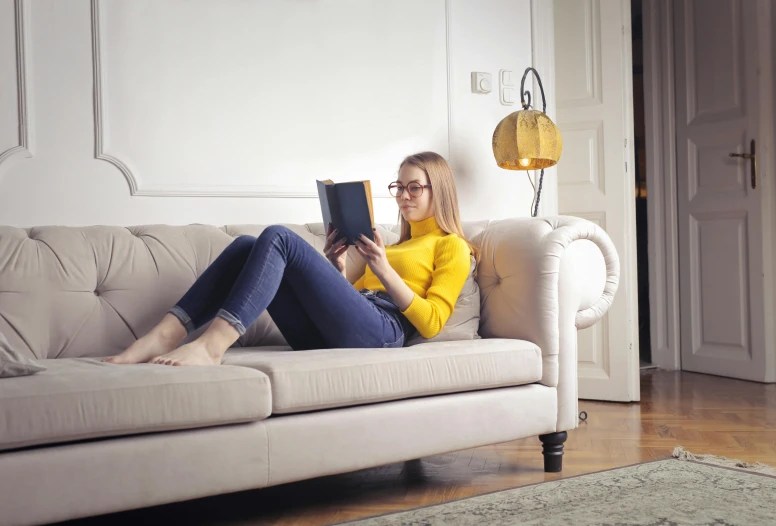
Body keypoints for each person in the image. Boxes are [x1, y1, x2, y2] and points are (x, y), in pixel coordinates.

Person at [104, 151, 479, 366]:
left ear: (439, 190)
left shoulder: (452, 245)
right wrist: (338, 269)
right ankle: (165, 334)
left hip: (385, 331)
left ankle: (211, 346)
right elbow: (351, 303)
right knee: (245, 246)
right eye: (399, 187)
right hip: (345, 329)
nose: (403, 196)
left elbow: (431, 323)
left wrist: (381, 268)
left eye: (414, 187)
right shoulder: (394, 245)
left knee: (280, 237)